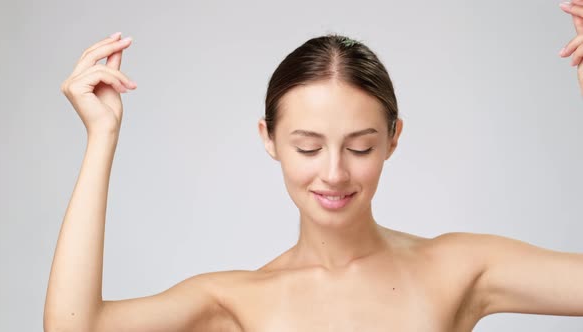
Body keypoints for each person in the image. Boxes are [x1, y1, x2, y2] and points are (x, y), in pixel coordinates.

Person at [44, 3, 583, 332]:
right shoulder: (235, 300)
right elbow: (73, 328)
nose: (333, 173)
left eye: (360, 147)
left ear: (394, 139)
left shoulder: (461, 268)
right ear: (270, 140)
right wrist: (102, 136)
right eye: (307, 147)